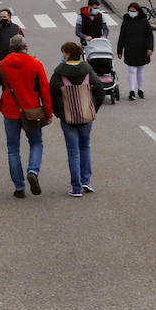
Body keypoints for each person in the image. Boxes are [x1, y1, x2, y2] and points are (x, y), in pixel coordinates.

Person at [0, 34, 52, 198]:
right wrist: (48, 112)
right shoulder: (36, 64)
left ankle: (19, 187)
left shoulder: (1, 65)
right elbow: (45, 90)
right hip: (32, 112)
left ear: (10, 48)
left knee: (13, 149)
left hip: (10, 111)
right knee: (37, 142)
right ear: (26, 47)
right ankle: (32, 170)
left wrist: (0, 106)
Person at [49, 41, 104, 197]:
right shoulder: (88, 71)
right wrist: (93, 108)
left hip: (68, 118)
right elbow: (100, 91)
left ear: (67, 54)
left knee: (73, 152)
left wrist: (59, 112)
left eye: (63, 52)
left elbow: (52, 93)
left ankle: (76, 187)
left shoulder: (59, 73)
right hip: (86, 116)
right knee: (85, 147)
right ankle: (86, 180)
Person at [116, 1, 154, 99]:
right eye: (129, 11)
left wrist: (150, 48)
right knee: (132, 70)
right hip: (130, 49)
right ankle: (132, 91)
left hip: (142, 49)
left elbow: (150, 35)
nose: (131, 12)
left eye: (133, 11)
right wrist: (119, 50)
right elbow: (122, 36)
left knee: (140, 70)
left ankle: (140, 90)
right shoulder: (126, 21)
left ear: (138, 11)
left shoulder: (144, 21)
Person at [0, 8, 23, 83]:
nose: (2, 19)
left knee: (13, 79)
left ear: (9, 17)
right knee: (3, 80)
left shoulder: (16, 28)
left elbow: (22, 41)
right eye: (1, 17)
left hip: (14, 57)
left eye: (4, 17)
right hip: (1, 57)